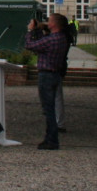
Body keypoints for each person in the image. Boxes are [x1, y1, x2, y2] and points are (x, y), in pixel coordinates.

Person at [25, 12, 71, 150]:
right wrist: (39, 30)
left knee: (48, 109)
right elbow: (41, 44)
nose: (47, 22)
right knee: (50, 108)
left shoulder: (52, 39)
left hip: (46, 75)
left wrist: (30, 30)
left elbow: (30, 45)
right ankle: (50, 137)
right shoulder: (61, 38)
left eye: (49, 21)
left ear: (54, 24)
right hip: (55, 74)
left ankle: (52, 139)